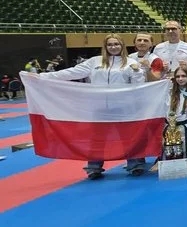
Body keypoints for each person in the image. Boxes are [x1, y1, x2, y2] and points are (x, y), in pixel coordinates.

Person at [38, 34, 146, 179]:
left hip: (123, 108)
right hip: (99, 108)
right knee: (97, 139)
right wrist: (43, 77)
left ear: (122, 46)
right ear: (105, 46)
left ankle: (135, 165)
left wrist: (137, 71)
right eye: (110, 44)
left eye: (116, 44)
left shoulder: (130, 63)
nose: (113, 47)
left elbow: (138, 86)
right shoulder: (94, 62)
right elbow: (72, 72)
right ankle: (94, 168)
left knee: (129, 137)